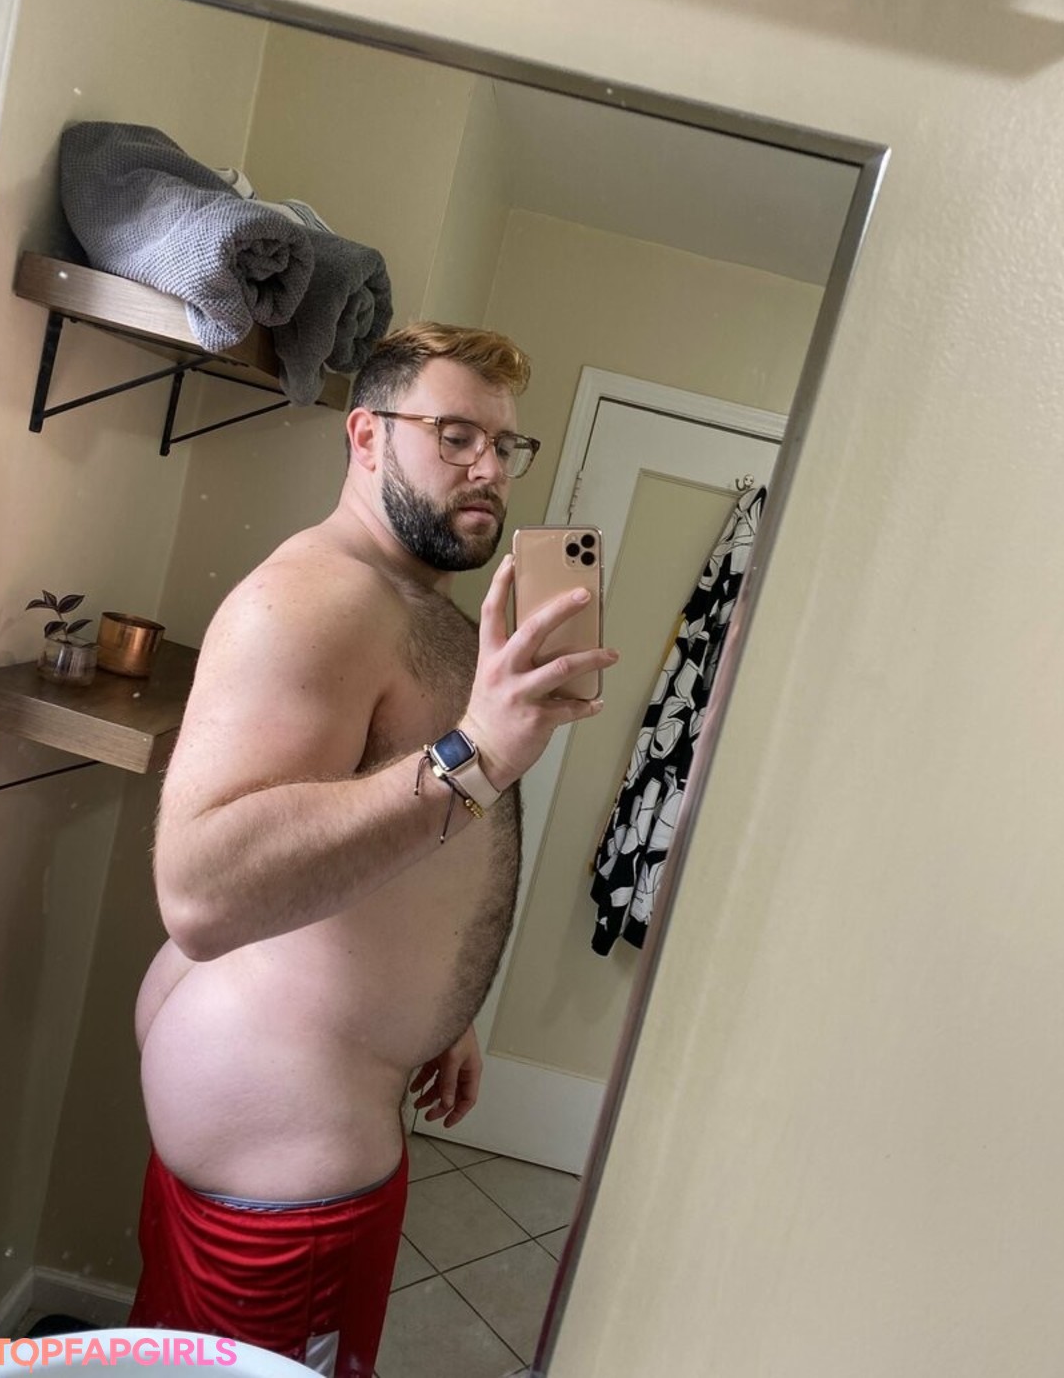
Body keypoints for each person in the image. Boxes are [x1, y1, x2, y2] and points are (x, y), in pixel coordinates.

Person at [128, 323, 617, 1377]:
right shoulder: (313, 600)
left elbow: (362, 830)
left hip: (278, 1133)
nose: (488, 468)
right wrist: (480, 752)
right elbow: (203, 894)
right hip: (283, 1174)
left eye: (504, 444)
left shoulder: (400, 597)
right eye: (454, 435)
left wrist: (439, 999)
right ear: (365, 436)